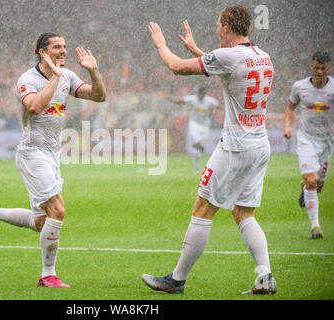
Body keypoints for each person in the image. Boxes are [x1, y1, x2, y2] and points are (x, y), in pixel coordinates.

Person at [142, 5, 277, 295]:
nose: (217, 28)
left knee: (202, 210)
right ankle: (265, 276)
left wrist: (161, 44)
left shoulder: (228, 56)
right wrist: (197, 50)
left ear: (227, 26)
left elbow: (176, 67)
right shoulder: (262, 57)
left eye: (218, 23)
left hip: (235, 147)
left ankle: (176, 279)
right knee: (244, 213)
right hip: (260, 145)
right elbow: (228, 67)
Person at [0, 32, 107, 288]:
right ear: (42, 52)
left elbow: (98, 96)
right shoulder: (28, 79)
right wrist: (54, 77)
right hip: (32, 153)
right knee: (58, 211)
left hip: (53, 155)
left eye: (65, 46)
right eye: (57, 47)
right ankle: (48, 275)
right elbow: (34, 106)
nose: (63, 51)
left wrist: (94, 72)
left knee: (42, 222)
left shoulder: (68, 76)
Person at [284, 51, 333, 239]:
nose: (319, 71)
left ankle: (306, 188)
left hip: (327, 142)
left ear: (328, 68)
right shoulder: (299, 87)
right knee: (312, 181)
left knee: (318, 185)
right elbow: (290, 107)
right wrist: (288, 126)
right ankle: (315, 227)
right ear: (311, 66)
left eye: (323, 68)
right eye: (316, 67)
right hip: (306, 139)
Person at [173, 86, 219, 171]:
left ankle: (197, 165)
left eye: (202, 94)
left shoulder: (209, 101)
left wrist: (217, 110)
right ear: (198, 93)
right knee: (197, 141)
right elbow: (181, 101)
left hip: (205, 124)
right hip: (194, 123)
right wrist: (174, 101)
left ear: (204, 94)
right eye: (199, 94)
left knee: (200, 148)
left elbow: (218, 105)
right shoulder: (193, 99)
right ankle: (197, 144)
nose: (200, 95)